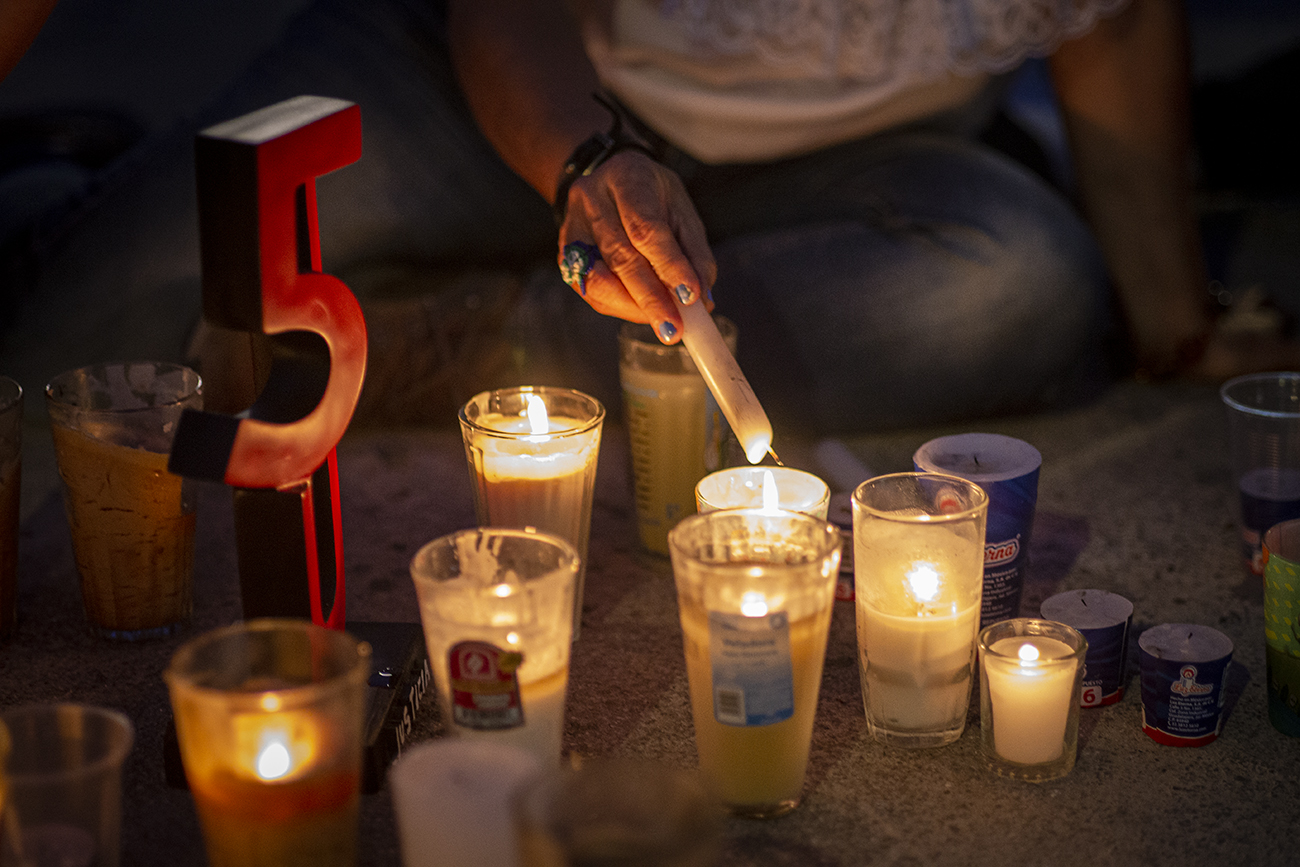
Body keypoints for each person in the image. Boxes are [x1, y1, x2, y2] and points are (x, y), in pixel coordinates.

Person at [2, 0, 1297, 434]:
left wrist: (1179, 327)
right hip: (484, 85)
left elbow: (1115, 21)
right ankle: (76, 197)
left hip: (843, 160)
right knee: (84, 359)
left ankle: (456, 342)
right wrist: (588, 165)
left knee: (1026, 287)